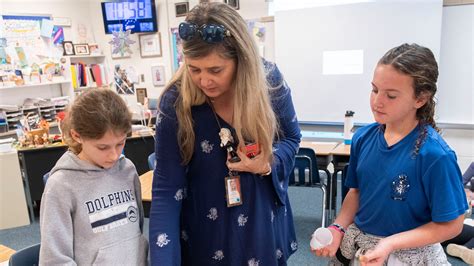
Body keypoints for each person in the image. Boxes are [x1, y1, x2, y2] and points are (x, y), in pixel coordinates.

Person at [149, 2, 301, 265]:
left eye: (215, 70)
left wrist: (268, 162)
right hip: (206, 232)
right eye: (194, 69)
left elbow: (291, 138)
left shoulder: (269, 82)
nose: (204, 81)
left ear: (241, 59)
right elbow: (166, 189)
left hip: (261, 224)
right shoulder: (176, 101)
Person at [312, 43, 468, 265]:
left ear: (420, 99)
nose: (377, 101)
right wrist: (338, 227)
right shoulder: (363, 138)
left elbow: (453, 224)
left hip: (408, 254)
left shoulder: (435, 155)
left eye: (391, 96)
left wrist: (390, 243)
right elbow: (356, 192)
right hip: (362, 248)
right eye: (375, 90)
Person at [39, 89, 148, 265]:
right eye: (103, 147)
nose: (113, 155)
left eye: (120, 144)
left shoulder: (127, 170)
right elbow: (55, 260)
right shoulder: (61, 185)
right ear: (77, 136)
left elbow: (137, 233)